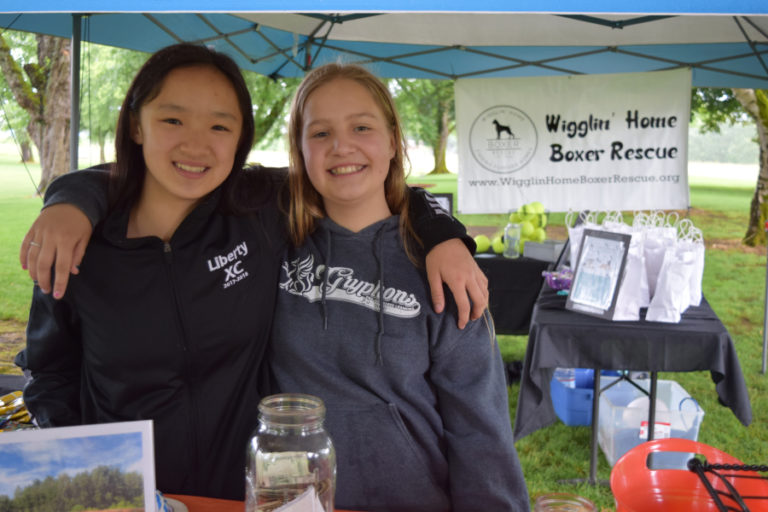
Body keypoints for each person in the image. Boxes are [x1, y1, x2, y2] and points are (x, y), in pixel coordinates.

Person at [17, 44, 487, 501]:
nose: (196, 144)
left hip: (243, 495)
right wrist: (70, 198)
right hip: (127, 495)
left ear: (241, 138)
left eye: (220, 126)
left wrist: (444, 234)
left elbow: (360, 175)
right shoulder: (76, 246)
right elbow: (50, 373)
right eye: (172, 119)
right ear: (136, 126)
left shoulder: (259, 211)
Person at [267, 63, 529, 510]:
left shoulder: (442, 267)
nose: (341, 146)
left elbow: (480, 429)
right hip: (291, 500)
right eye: (320, 133)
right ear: (300, 149)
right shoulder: (271, 242)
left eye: (361, 127)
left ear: (392, 141)